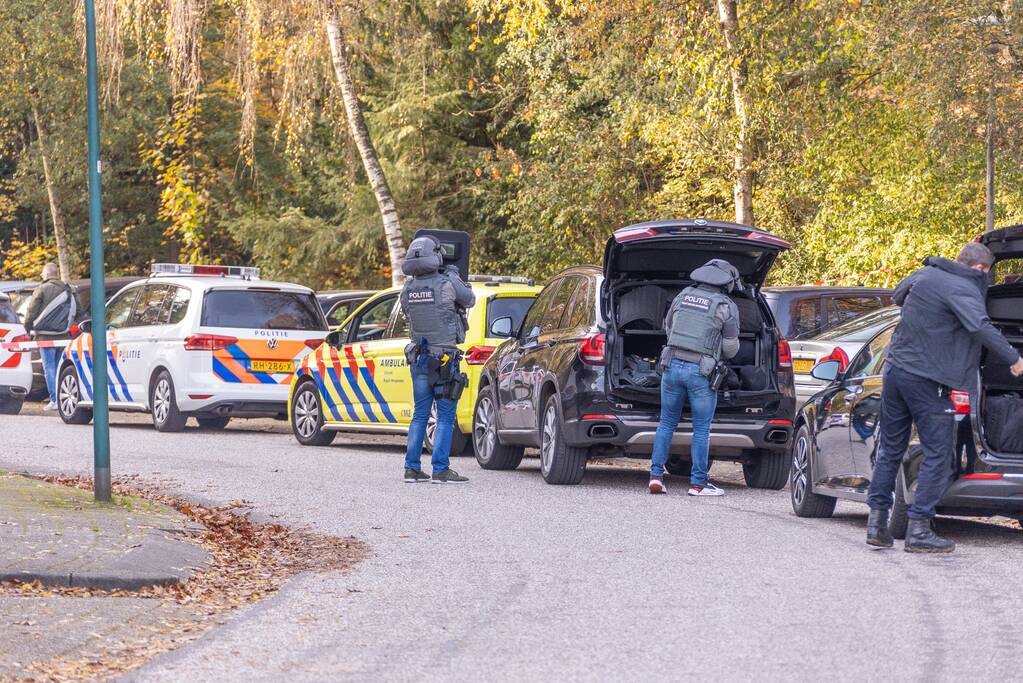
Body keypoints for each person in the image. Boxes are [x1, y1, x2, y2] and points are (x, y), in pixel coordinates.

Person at [866, 242, 1023, 553]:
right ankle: (919, 530)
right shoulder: (963, 288)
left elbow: (898, 295)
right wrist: (1013, 358)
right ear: (979, 268)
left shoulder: (925, 275)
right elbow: (979, 326)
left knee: (890, 450)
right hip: (929, 379)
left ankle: (877, 524)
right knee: (939, 454)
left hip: (896, 372)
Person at [649, 259, 741, 496]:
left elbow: (668, 328)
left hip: (671, 365)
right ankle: (698, 484)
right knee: (701, 429)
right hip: (701, 371)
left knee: (666, 423)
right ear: (727, 282)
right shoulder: (726, 306)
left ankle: (656, 477)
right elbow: (730, 349)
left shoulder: (683, 295)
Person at [399, 236, 476, 484]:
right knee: (445, 416)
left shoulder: (407, 289)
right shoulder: (448, 282)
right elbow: (470, 299)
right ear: (436, 256)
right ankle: (440, 469)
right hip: (444, 360)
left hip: (419, 358)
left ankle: (411, 469)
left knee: (420, 415)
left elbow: (408, 312)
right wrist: (454, 275)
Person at [23, 263, 69, 412]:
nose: (41, 276)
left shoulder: (42, 289)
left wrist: (27, 328)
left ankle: (55, 400)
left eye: (42, 273)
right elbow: (79, 310)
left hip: (45, 336)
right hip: (63, 335)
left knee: (49, 367)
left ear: (47, 274)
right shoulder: (68, 288)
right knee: (60, 367)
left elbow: (31, 311)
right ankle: (63, 399)